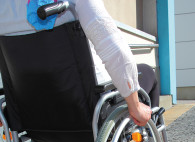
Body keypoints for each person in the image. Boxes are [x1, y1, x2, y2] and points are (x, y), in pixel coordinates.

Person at [0, 0, 160, 127]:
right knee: (147, 74)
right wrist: (135, 105)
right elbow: (114, 49)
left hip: (31, 116)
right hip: (84, 112)